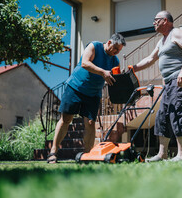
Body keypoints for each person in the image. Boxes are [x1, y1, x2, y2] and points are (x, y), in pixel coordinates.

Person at [47, 33, 126, 163]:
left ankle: (87, 155)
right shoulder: (94, 46)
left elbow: (113, 77)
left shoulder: (114, 60)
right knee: (66, 118)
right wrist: (103, 72)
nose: (116, 52)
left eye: (119, 50)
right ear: (109, 42)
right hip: (76, 87)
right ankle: (53, 152)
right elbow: (85, 63)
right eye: (116, 48)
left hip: (94, 93)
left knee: (90, 123)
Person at [133, 11, 182, 162]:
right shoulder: (161, 41)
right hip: (168, 83)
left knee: (178, 112)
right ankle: (162, 154)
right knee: (162, 116)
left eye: (156, 20)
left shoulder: (176, 33)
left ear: (164, 21)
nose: (153, 23)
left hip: (179, 79)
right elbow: (150, 59)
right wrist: (133, 68)